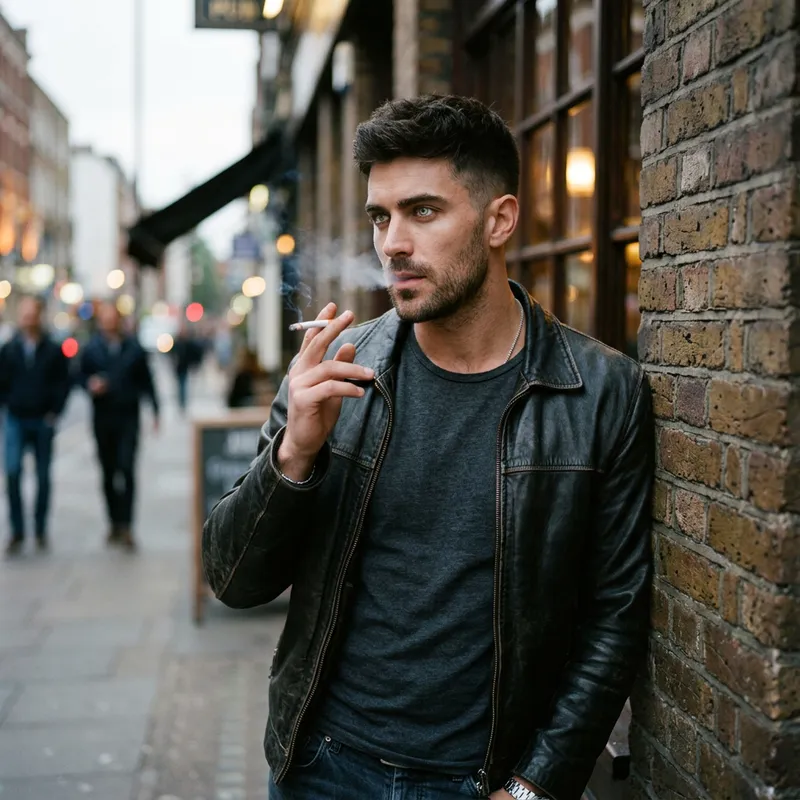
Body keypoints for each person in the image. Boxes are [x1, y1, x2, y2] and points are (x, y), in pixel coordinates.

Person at [202, 96, 654, 800]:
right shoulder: (336, 373)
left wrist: (537, 784)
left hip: (483, 781)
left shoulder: (601, 392)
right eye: (380, 217)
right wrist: (294, 454)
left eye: (422, 212)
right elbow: (233, 583)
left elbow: (615, 615)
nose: (391, 244)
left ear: (499, 219)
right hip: (322, 766)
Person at [79, 302, 160, 550]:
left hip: (128, 417)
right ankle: (113, 522)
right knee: (107, 472)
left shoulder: (133, 348)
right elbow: (78, 376)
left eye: (112, 318)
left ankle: (126, 525)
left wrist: (156, 410)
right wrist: (90, 384)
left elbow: (147, 380)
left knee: (126, 468)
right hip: (103, 418)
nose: (109, 322)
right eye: (105, 318)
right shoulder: (91, 349)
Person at [0, 296, 71, 555]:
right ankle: (17, 530)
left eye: (32, 314)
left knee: (43, 477)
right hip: (16, 419)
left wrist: (54, 411)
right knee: (13, 472)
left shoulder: (52, 349)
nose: (27, 319)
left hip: (42, 420)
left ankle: (40, 529)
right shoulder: (9, 349)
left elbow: (64, 382)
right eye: (24, 314)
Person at [171, 322, 203, 412]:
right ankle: (181, 401)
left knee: (182, 385)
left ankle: (182, 401)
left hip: (184, 367)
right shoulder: (177, 342)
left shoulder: (188, 343)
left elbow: (194, 353)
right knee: (180, 385)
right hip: (179, 367)